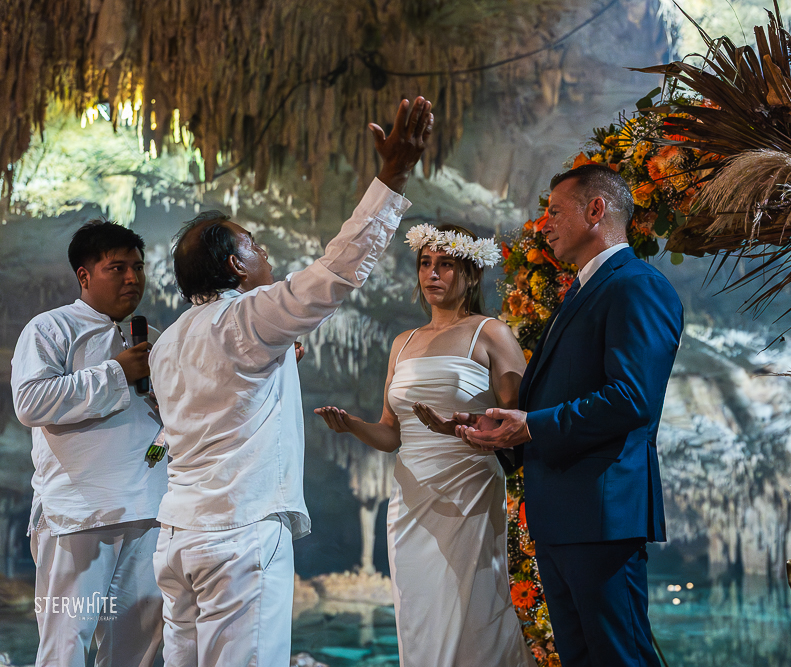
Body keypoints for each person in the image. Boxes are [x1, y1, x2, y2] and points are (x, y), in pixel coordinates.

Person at [147, 96, 433, 666]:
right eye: (253, 244)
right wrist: (393, 176)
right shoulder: (246, 318)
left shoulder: (170, 341)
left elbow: (201, 413)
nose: (265, 251)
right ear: (234, 266)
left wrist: (273, 366)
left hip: (177, 540)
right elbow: (338, 270)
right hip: (238, 534)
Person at [452, 164, 684, 666]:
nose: (544, 225)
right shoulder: (582, 289)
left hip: (602, 512)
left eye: (555, 211)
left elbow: (631, 398)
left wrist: (532, 425)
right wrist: (508, 433)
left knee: (619, 656)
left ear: (595, 210)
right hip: (564, 512)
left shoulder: (636, 285)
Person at [314, 223, 534, 667]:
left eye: (446, 264)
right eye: (425, 263)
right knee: (419, 612)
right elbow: (392, 433)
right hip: (411, 497)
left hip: (468, 489)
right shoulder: (404, 343)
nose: (432, 274)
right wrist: (353, 425)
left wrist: (461, 432)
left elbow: (516, 429)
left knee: (471, 610)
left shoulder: (491, 333)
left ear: (470, 274)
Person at [11, 221, 165, 667]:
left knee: (135, 651)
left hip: (150, 511)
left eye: (137, 267)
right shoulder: (50, 329)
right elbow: (31, 402)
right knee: (65, 645)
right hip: (78, 515)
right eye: (117, 267)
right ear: (84, 275)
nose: (132, 278)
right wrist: (117, 372)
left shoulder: (151, 337)